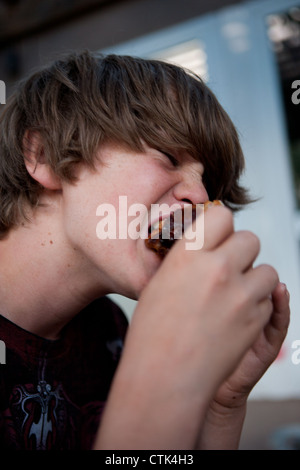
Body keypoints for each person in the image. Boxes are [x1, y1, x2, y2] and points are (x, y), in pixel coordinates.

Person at [0, 50, 290, 450]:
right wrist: (155, 372)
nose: (203, 198)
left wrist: (219, 403)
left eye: (210, 185)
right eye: (169, 156)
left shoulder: (110, 331)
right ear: (45, 154)